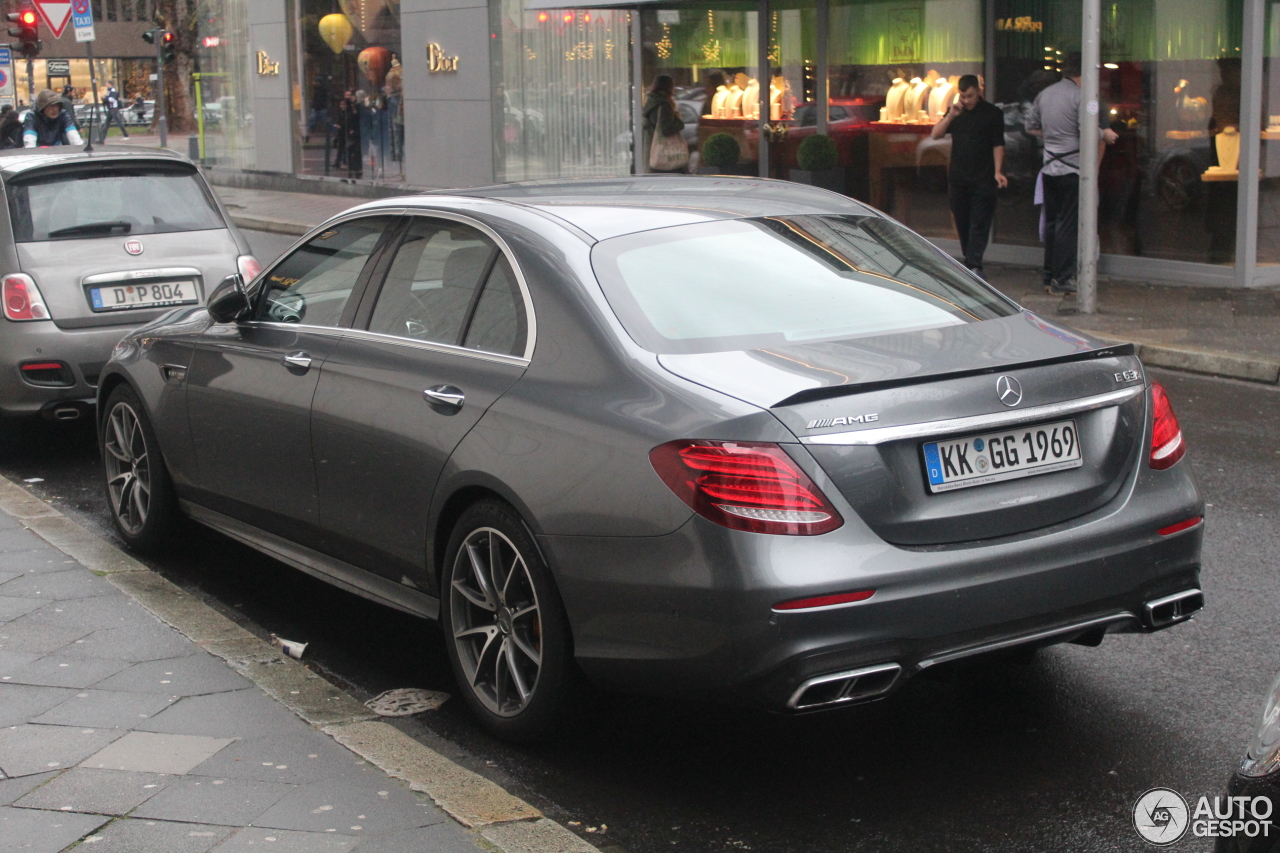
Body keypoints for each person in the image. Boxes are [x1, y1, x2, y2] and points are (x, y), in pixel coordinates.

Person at [1023, 54, 1118, 296]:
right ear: (1082, 75)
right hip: (1071, 169)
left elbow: (1030, 126)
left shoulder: (1045, 94)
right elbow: (1084, 130)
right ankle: (1063, 278)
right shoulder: (1079, 96)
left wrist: (1053, 136)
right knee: (1068, 225)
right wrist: (1104, 133)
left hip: (1050, 168)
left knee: (1052, 224)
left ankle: (1048, 275)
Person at [930, 74, 1006, 278]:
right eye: (962, 96)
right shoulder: (956, 112)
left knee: (979, 222)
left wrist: (998, 171)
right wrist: (951, 116)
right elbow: (935, 134)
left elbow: (998, 144)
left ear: (978, 91)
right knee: (962, 221)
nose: (966, 101)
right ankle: (970, 262)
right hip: (958, 178)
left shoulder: (992, 114)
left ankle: (974, 264)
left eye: (970, 96)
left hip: (983, 177)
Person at [642, 75, 686, 173]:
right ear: (668, 87)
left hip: (652, 150)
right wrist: (678, 120)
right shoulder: (664, 105)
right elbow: (666, 128)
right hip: (663, 154)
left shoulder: (651, 102)